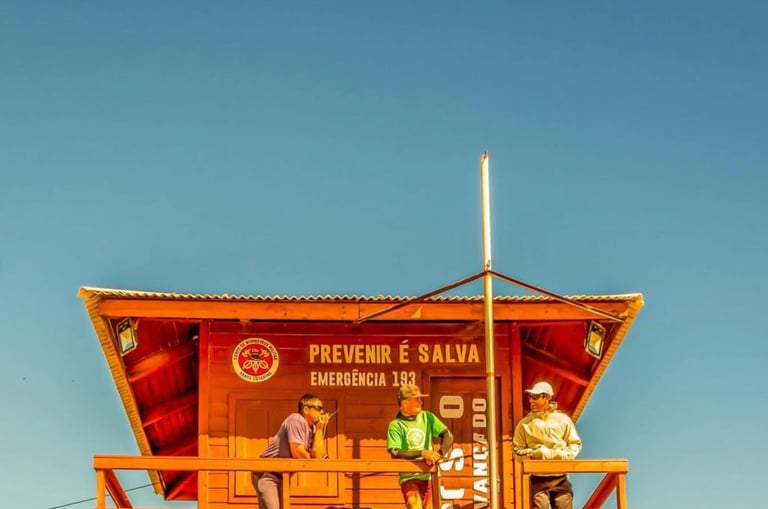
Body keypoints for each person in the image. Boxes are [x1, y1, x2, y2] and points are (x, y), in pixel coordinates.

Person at [513, 381, 583, 509]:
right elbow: (517, 451)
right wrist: (535, 454)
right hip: (537, 478)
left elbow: (575, 444)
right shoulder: (524, 424)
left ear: (547, 397)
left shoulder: (563, 420)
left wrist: (562, 455)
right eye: (530, 396)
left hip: (561, 477)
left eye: (535, 397)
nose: (531, 400)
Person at [253, 393, 330, 509]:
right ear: (306, 409)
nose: (322, 412)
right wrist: (308, 456)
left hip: (283, 475)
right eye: (319, 408)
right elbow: (297, 453)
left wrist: (319, 429)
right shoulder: (296, 419)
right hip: (267, 474)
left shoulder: (313, 429)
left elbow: (317, 456)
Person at [386, 384, 454, 509]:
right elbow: (395, 452)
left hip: (429, 475)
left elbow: (448, 436)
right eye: (417, 399)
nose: (421, 402)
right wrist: (422, 453)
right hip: (409, 477)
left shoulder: (427, 417)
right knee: (415, 505)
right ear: (405, 403)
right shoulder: (395, 425)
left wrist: (438, 454)